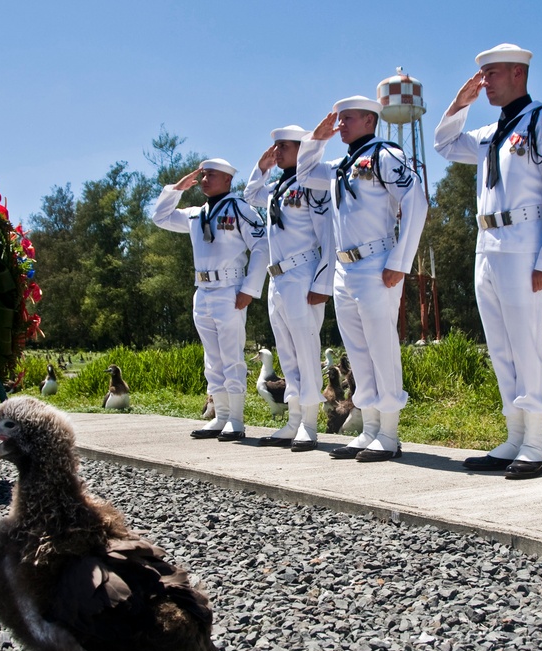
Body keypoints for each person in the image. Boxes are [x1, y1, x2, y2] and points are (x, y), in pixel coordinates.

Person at [434, 43, 542, 479]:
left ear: (518, 72)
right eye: (482, 75)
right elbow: (444, 143)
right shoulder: (490, 133)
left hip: (525, 244)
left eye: (492, 74)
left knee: (525, 344)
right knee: (500, 346)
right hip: (488, 244)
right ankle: (514, 437)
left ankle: (535, 442)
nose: (485, 83)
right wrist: (459, 104)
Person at [297, 96, 428, 462]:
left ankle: (389, 433)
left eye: (348, 119)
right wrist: (316, 139)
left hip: (376, 262)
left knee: (382, 348)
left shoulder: (386, 155)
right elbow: (305, 173)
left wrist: (401, 260)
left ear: (370, 120)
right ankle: (369, 428)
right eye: (339, 119)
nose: (341, 124)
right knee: (358, 352)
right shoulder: (340, 164)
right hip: (344, 268)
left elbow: (416, 201)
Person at [152, 158, 268, 441]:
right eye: (203, 175)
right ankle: (221, 416)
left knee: (231, 356)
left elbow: (262, 246)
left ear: (228, 179)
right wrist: (176, 189)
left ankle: (236, 420)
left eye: (211, 175)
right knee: (212, 360)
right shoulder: (195, 214)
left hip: (230, 290)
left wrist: (249, 290)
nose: (204, 179)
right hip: (202, 291)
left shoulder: (240, 209)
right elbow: (160, 217)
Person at [243, 125, 334, 452]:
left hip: (303, 273)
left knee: (307, 353)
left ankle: (309, 423)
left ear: (303, 148)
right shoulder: (277, 187)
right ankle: (294, 419)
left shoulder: (314, 184)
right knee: (287, 353)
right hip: (277, 279)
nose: (277, 151)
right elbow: (251, 195)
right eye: (275, 146)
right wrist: (262, 167)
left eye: (284, 146)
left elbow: (329, 234)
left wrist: (323, 282)